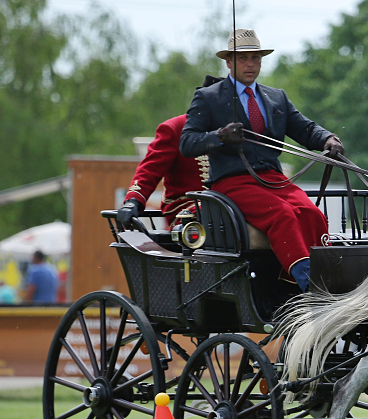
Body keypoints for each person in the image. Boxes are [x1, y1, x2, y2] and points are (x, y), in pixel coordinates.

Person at [180, 29, 344, 292]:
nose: (250, 64)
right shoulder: (209, 97)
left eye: (255, 58)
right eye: (243, 58)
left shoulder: (276, 97)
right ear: (229, 62)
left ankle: (325, 278)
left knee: (312, 213)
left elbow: (304, 128)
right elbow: (187, 143)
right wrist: (220, 136)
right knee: (282, 215)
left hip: (273, 179)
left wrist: (327, 140)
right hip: (232, 182)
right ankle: (311, 286)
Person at [117, 77, 223, 229]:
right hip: (187, 209)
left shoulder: (238, 131)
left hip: (230, 207)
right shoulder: (175, 128)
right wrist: (133, 200)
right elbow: (149, 170)